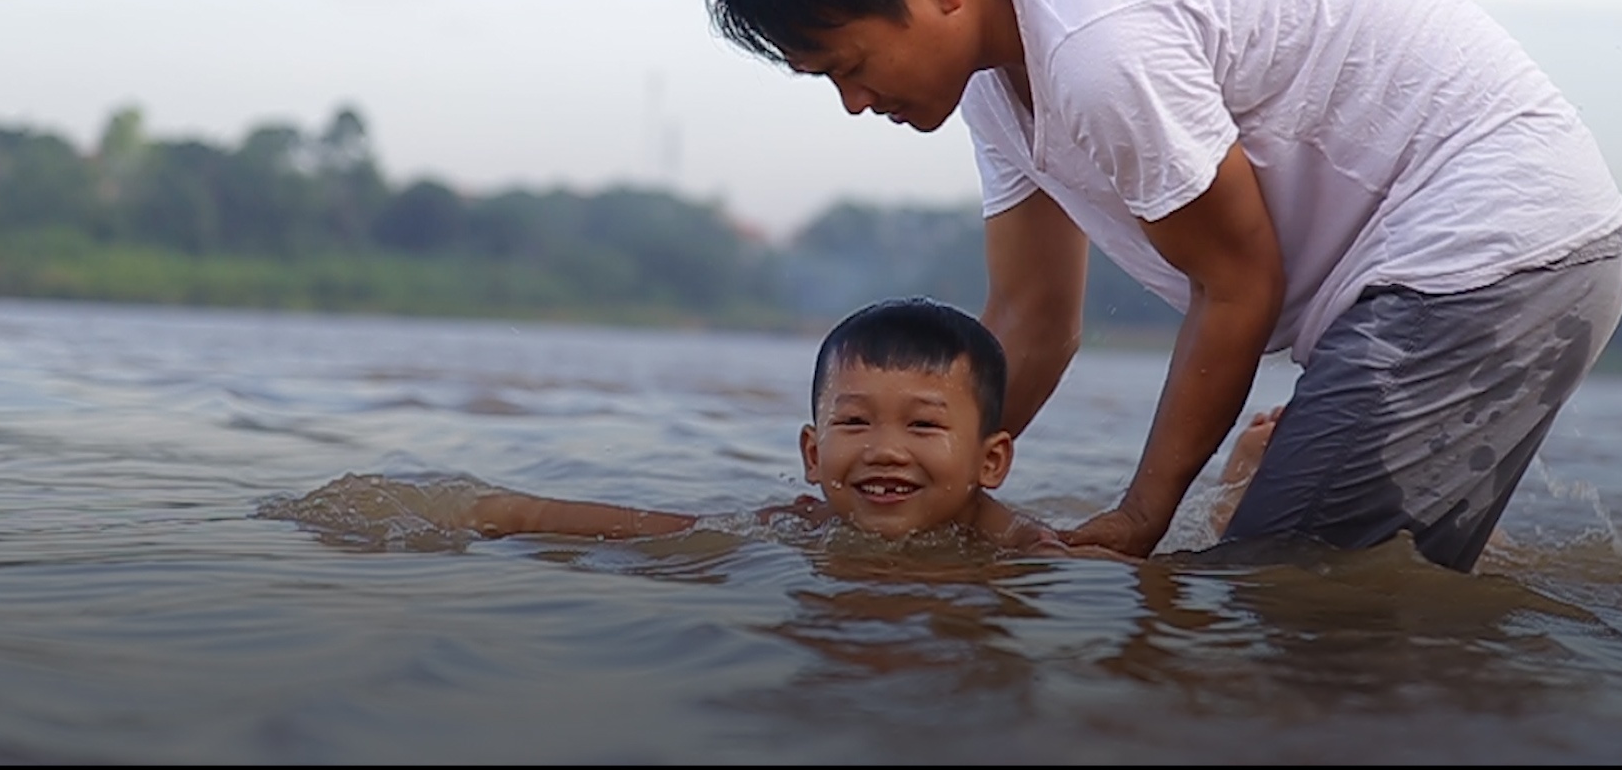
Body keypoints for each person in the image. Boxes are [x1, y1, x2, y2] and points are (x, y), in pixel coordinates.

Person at [701, 0, 1622, 572]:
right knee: (1352, 594)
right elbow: (1030, 321)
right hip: (1454, 276)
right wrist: (919, 491)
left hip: (1493, 260)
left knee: (1272, 594)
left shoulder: (1096, 38)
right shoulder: (995, 69)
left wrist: (1143, 514)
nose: (856, 103)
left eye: (851, 67)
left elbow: (1237, 283)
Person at [454, 297, 1267, 553]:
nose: (884, 450)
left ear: (991, 462)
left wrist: (1228, 515)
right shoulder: (803, 527)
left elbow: (1152, 587)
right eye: (852, 423)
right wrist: (508, 513)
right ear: (813, 452)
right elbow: (668, 534)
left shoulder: (1018, 547)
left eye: (922, 426)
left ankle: (1235, 495)